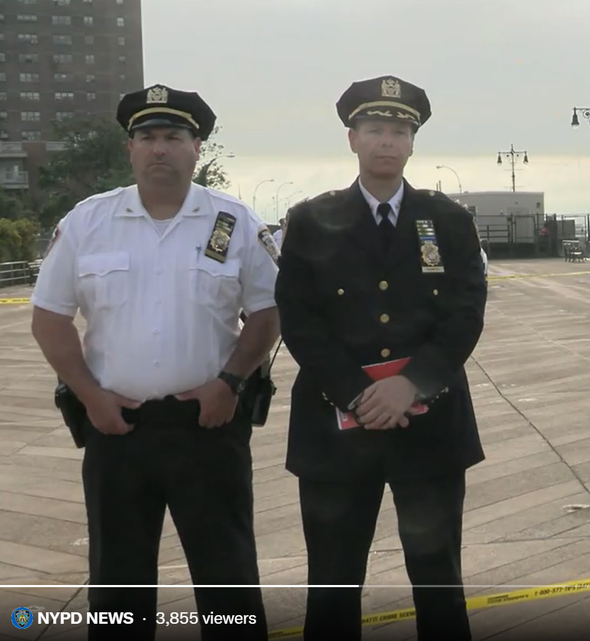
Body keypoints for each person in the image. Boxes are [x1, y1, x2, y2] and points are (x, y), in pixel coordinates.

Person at [29, 84, 278, 641]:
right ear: (130, 150)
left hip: (209, 426)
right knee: (118, 587)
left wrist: (231, 382)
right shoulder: (89, 222)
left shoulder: (233, 222)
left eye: (173, 137)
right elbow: (49, 318)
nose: (159, 147)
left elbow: (266, 314)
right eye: (147, 137)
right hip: (117, 428)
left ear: (197, 150)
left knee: (228, 582)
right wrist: (91, 396)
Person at [274, 74, 488, 641]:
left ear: (413, 142)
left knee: (439, 582)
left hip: (430, 424)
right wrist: (357, 393)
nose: (386, 141)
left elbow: (466, 313)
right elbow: (299, 319)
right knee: (334, 584)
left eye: (398, 130)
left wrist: (411, 385)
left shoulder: (448, 220)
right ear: (353, 139)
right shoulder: (311, 220)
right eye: (374, 129)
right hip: (336, 428)